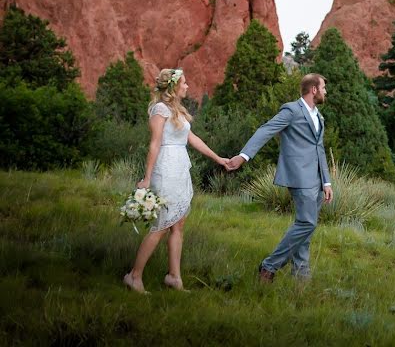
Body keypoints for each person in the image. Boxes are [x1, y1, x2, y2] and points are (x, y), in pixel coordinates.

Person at [123, 68, 229, 293]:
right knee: (162, 225)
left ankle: (174, 277)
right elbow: (155, 143)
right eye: (184, 83)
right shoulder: (160, 109)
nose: (187, 86)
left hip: (181, 168)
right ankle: (134, 276)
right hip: (166, 169)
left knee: (178, 223)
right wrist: (147, 178)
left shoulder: (177, 111)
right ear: (173, 86)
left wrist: (218, 159)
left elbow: (193, 139)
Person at [225, 73, 333, 282]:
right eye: (324, 87)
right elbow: (266, 130)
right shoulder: (292, 110)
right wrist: (243, 156)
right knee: (307, 223)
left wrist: (326, 182)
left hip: (317, 180)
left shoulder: (318, 116)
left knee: (305, 227)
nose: (325, 92)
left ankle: (300, 275)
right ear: (313, 90)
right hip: (299, 176)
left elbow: (320, 150)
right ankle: (269, 267)